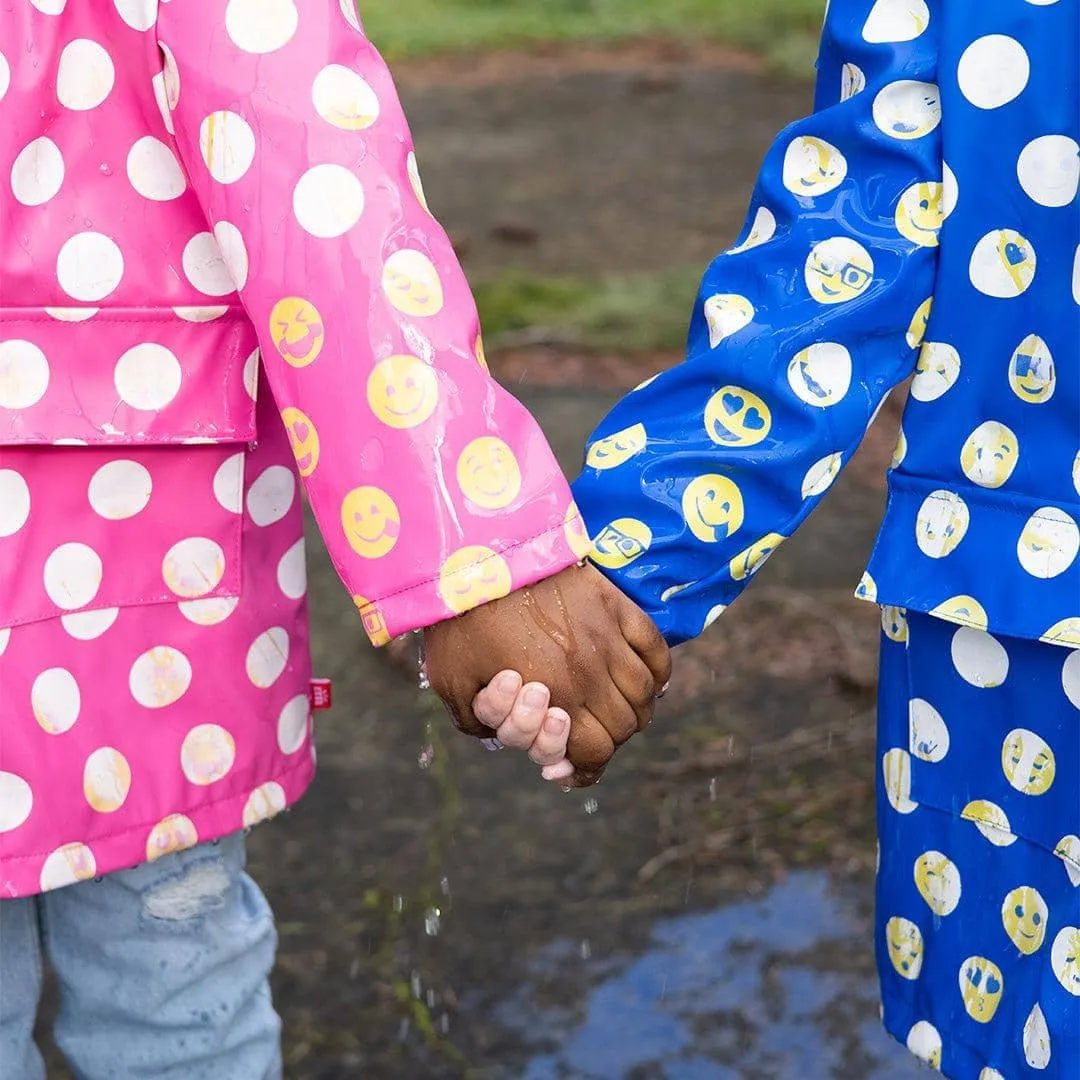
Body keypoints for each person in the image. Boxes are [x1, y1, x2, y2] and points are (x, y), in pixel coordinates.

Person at [0, 3, 669, 1076]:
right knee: (174, 1005)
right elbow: (312, 183)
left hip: (123, 561)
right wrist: (469, 557)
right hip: (135, 564)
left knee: (173, 994)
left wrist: (472, 567)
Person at [475, 0, 1080, 1075]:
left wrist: (608, 570)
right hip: (1026, 619)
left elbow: (837, 257)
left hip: (1020, 613)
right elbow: (838, 258)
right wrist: (612, 570)